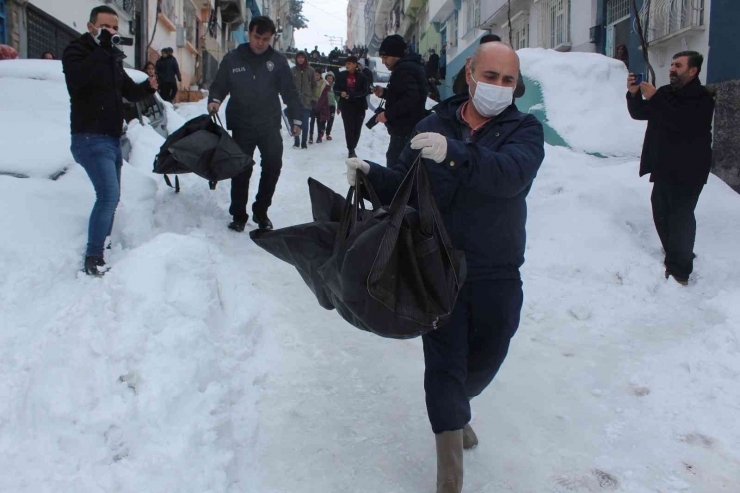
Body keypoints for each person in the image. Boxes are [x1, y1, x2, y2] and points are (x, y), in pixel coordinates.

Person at [346, 41, 545, 493]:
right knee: (444, 366)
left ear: (516, 86)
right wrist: (370, 174)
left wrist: (453, 154)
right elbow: (405, 183)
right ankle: (449, 476)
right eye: (489, 76)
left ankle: (459, 408)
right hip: (436, 265)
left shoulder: (524, 131)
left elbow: (509, 175)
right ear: (470, 74)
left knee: (488, 355)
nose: (497, 87)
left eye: (507, 80)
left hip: (496, 271)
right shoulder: (434, 123)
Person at [62, 5, 158, 276]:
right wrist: (102, 49)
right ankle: (93, 257)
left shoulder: (112, 57)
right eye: (105, 26)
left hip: (112, 138)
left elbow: (129, 92)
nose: (111, 32)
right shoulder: (77, 51)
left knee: (110, 198)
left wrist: (147, 88)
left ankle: (102, 244)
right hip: (89, 137)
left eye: (115, 27)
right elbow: (78, 82)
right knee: (108, 195)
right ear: (91, 26)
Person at [626, 51, 715, 286]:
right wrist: (634, 95)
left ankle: (680, 271)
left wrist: (655, 98)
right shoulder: (666, 92)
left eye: (678, 65)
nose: (672, 69)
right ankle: (675, 253)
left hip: (689, 170)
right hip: (664, 166)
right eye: (672, 64)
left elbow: (680, 123)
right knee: (661, 212)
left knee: (681, 218)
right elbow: (641, 113)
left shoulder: (702, 97)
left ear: (692, 70)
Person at [208, 16, 303, 232]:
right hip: (241, 123)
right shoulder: (233, 58)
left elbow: (290, 92)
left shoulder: (277, 62)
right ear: (249, 34)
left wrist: (296, 118)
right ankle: (238, 215)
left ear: (271, 39)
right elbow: (219, 85)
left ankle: (261, 211)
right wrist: (214, 101)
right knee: (241, 169)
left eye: (265, 39)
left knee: (273, 165)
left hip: (269, 123)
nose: (260, 43)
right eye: (256, 37)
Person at [371, 34, 429, 166]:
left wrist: (387, 114)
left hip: (405, 130)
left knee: (397, 169)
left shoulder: (404, 69)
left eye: (385, 57)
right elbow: (406, 94)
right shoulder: (409, 66)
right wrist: (385, 93)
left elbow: (411, 98)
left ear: (395, 55)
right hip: (409, 129)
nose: (383, 62)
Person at [333, 55, 369, 158]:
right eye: (346, 63)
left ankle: (353, 145)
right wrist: (341, 93)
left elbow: (365, 91)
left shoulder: (362, 77)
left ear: (354, 64)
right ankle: (351, 149)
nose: (347, 66)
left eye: (349, 63)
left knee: (357, 129)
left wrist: (353, 94)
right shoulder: (341, 76)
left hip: (359, 106)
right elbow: (335, 89)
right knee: (348, 128)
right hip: (346, 106)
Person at [290, 51, 316, 149]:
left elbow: (314, 86)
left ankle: (304, 142)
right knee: (295, 122)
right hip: (295, 101)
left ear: (305, 59)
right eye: (299, 57)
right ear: (296, 59)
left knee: (305, 123)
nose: (300, 59)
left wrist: (313, 99)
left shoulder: (311, 70)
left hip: (307, 101)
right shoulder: (292, 70)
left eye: (302, 57)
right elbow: (289, 85)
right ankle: (296, 141)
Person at [309, 69, 327, 143]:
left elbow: (325, 93)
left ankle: (319, 136)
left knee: (319, 120)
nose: (316, 76)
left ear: (320, 75)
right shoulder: (311, 82)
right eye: (315, 75)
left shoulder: (324, 83)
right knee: (312, 121)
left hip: (320, 103)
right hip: (312, 102)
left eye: (318, 75)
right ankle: (310, 136)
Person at [324, 72, 337, 141]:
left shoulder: (334, 87)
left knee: (330, 120)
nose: (329, 80)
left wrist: (339, 107)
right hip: (324, 106)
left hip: (332, 106)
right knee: (323, 120)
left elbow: (337, 97)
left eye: (331, 78)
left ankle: (328, 134)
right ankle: (321, 131)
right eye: (328, 78)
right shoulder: (323, 85)